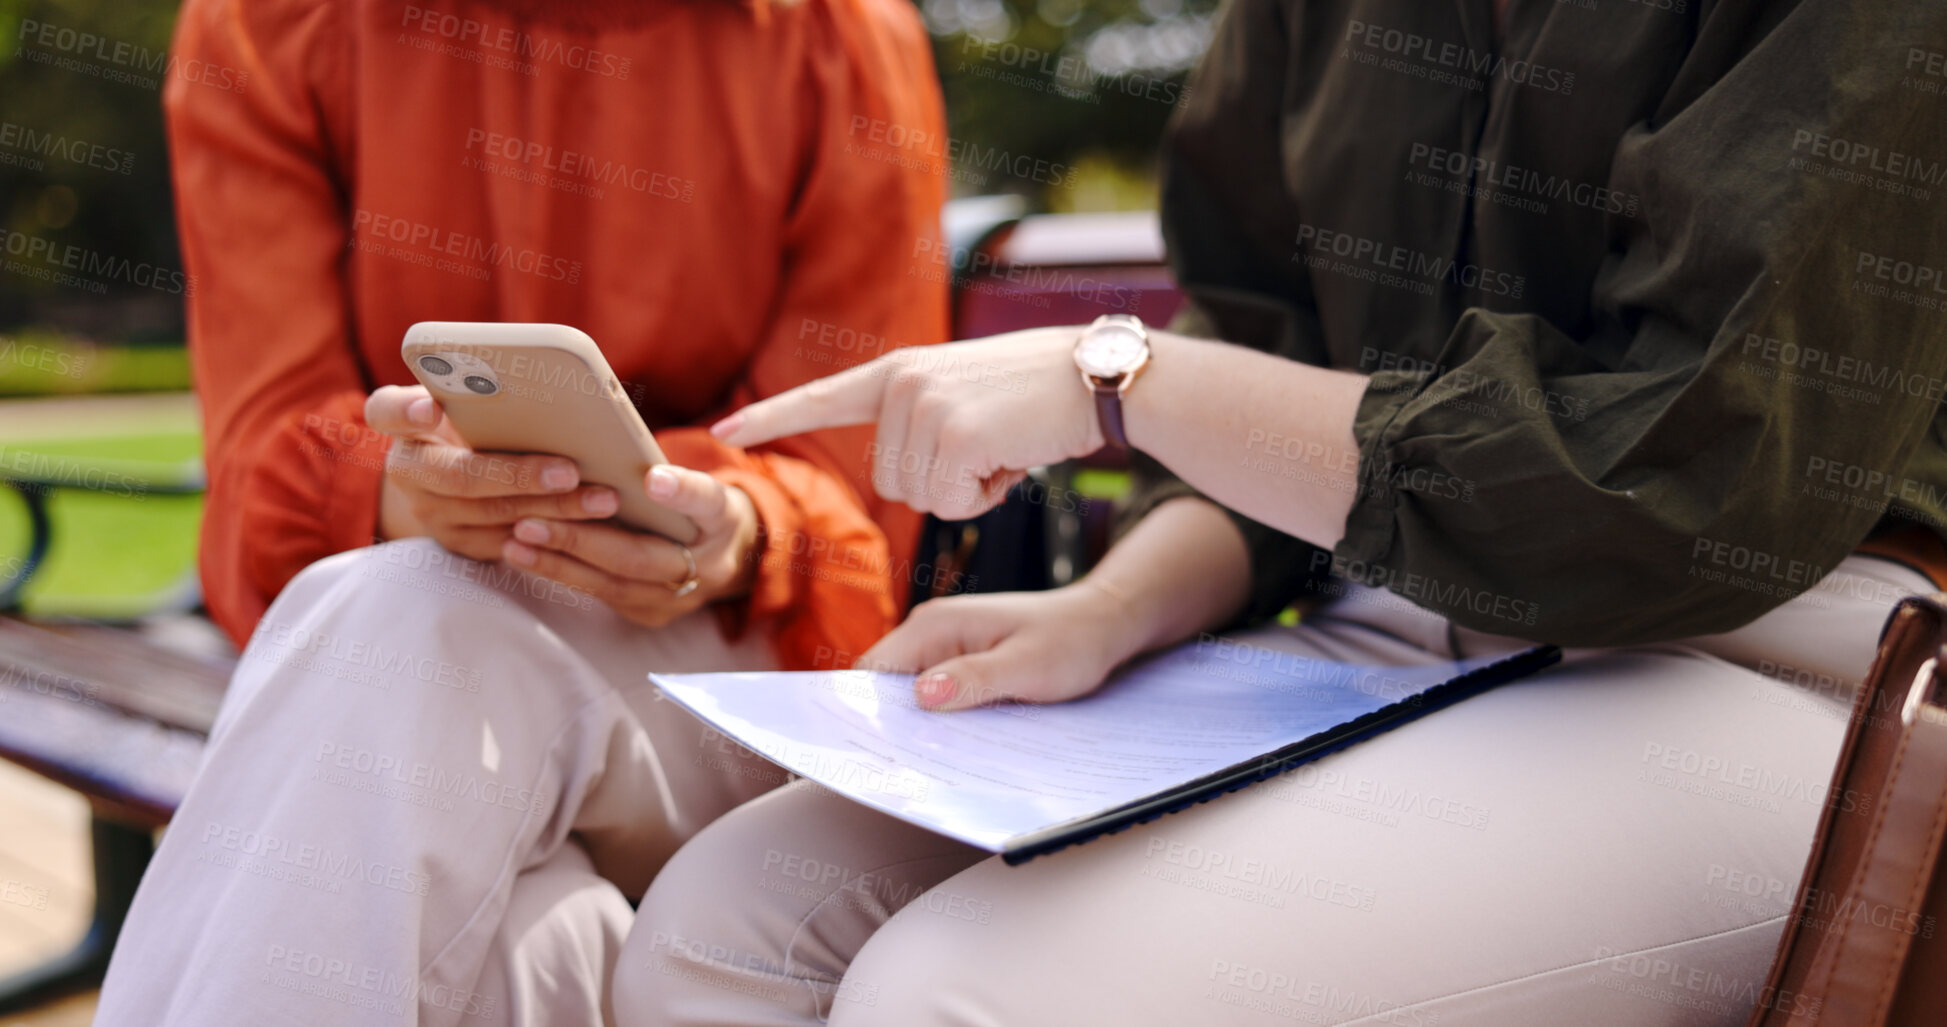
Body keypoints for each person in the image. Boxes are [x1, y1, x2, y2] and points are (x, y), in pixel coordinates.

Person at [616, 0, 1947, 1023]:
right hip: (1388, 621)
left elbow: (1675, 480)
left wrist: (1120, 376)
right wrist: (1106, 607)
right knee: (719, 922)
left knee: (959, 993)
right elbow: (1267, 393)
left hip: (1770, 663)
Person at [93, 0, 947, 1023]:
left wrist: (738, 525)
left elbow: (853, 475)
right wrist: (402, 485)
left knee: (407, 627)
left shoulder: (834, 36)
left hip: (726, 669)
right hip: (405, 634)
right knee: (531, 935)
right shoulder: (268, 26)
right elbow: (265, 435)